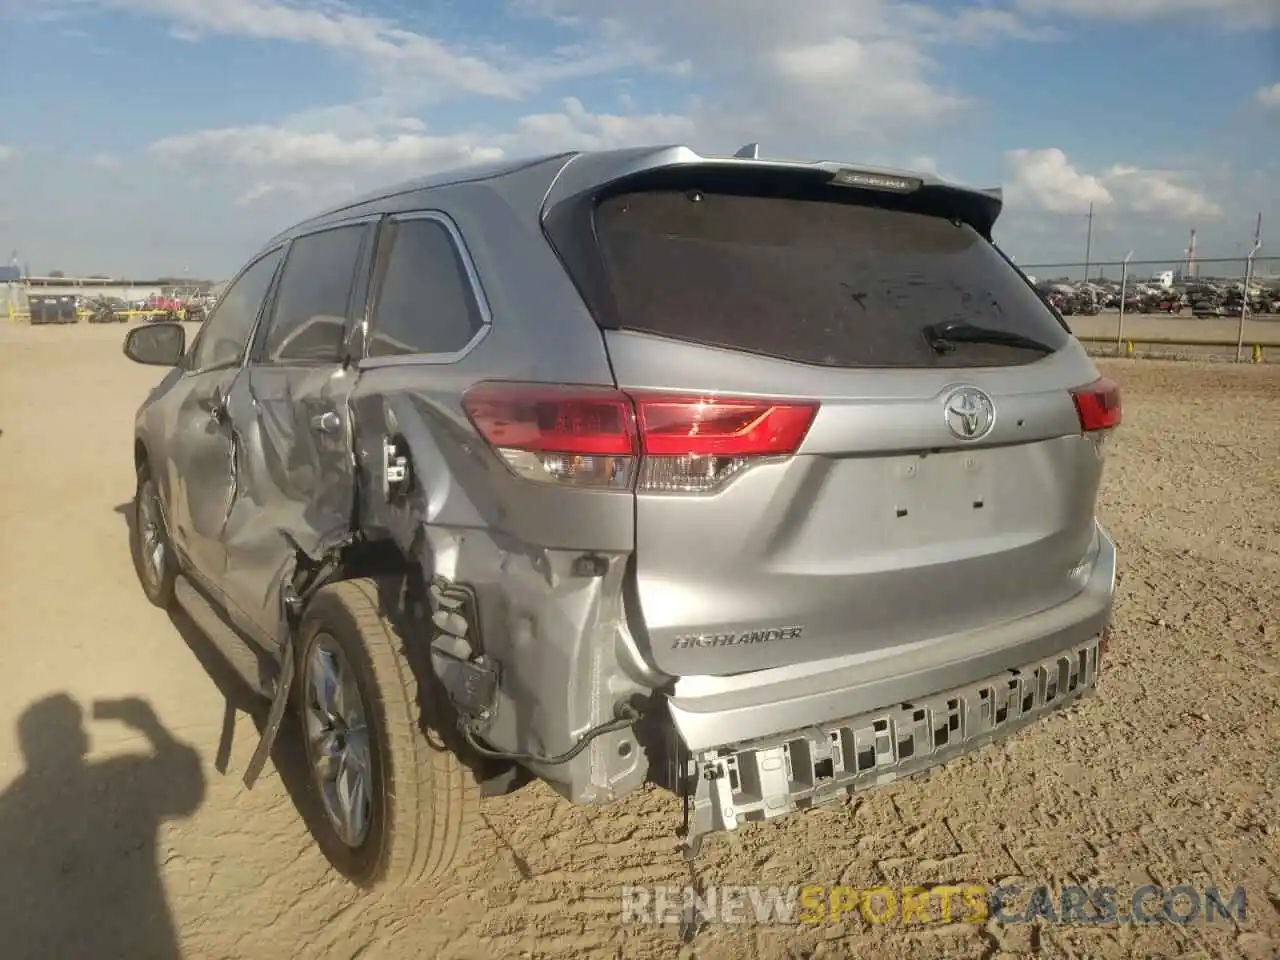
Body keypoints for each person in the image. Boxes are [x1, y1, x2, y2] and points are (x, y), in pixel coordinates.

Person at [0, 694, 205, 959]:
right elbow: (188, 795)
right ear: (79, 740)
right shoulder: (121, 777)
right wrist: (152, 726)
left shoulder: (10, 806)